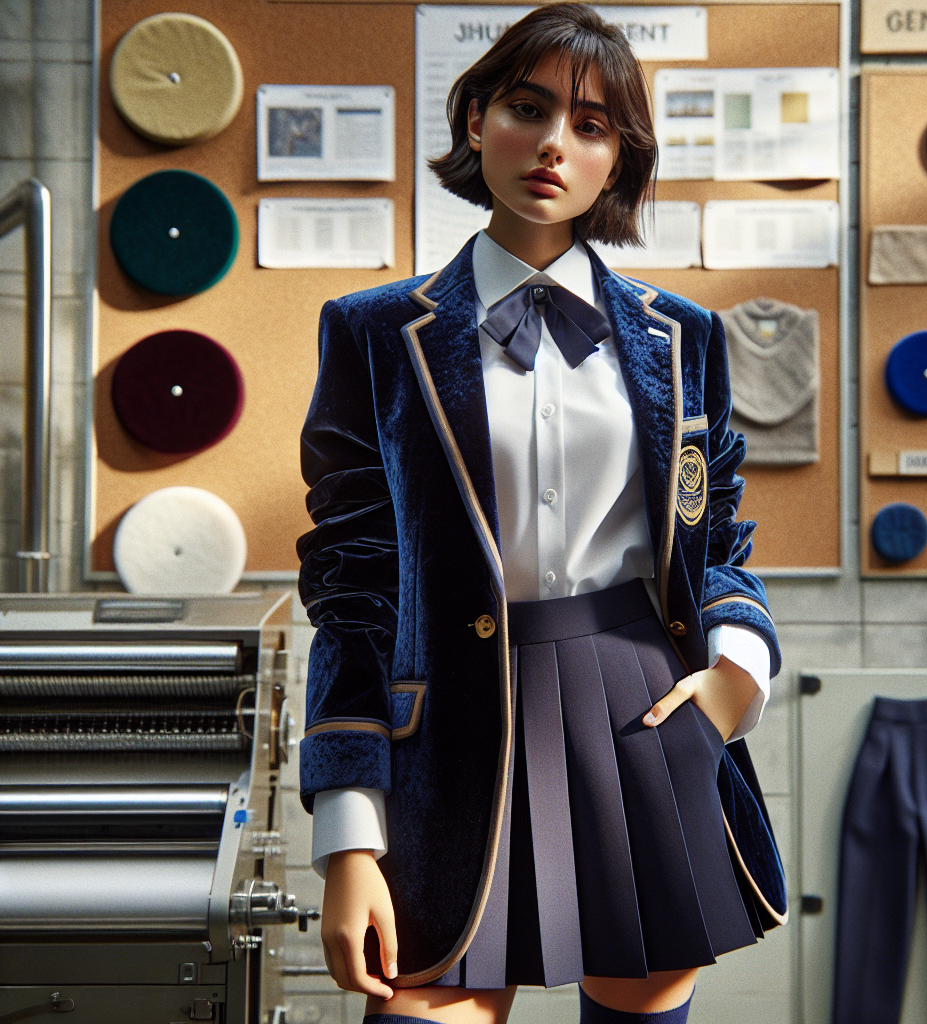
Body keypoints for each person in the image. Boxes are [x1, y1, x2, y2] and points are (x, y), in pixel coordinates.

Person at [296, 6, 786, 1024]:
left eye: (593, 125)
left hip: (639, 715)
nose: (555, 143)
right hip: (449, 737)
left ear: (619, 161)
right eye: (528, 108)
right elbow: (350, 593)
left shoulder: (683, 338)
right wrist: (347, 833)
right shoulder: (374, 333)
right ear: (476, 119)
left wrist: (740, 672)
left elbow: (719, 542)